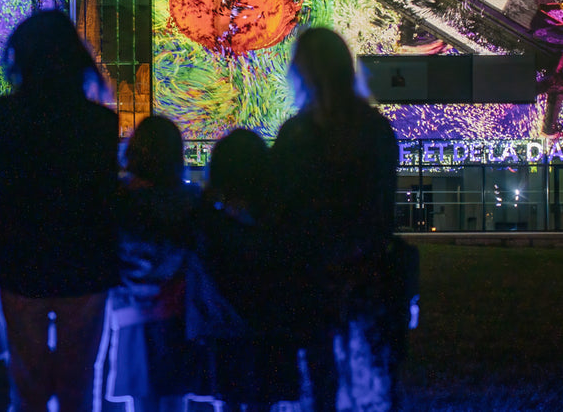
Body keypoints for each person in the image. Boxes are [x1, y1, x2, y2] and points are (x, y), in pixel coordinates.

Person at [0, 10, 120, 412]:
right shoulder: (99, 122)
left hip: (22, 259)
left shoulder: (8, 114)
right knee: (79, 382)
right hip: (85, 261)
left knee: (29, 384)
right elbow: (105, 194)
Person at [269, 27, 403, 412]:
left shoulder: (296, 136)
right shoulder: (376, 130)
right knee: (369, 376)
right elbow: (382, 206)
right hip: (367, 275)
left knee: (317, 377)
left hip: (308, 277)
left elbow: (279, 209)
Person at [185, 129, 298, 411]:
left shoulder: (206, 223)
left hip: (224, 331)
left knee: (229, 399)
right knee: (264, 400)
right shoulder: (281, 225)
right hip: (270, 331)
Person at [107, 115, 200, 412]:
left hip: (131, 312)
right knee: (175, 397)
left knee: (142, 399)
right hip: (178, 313)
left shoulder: (117, 199)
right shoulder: (192, 201)